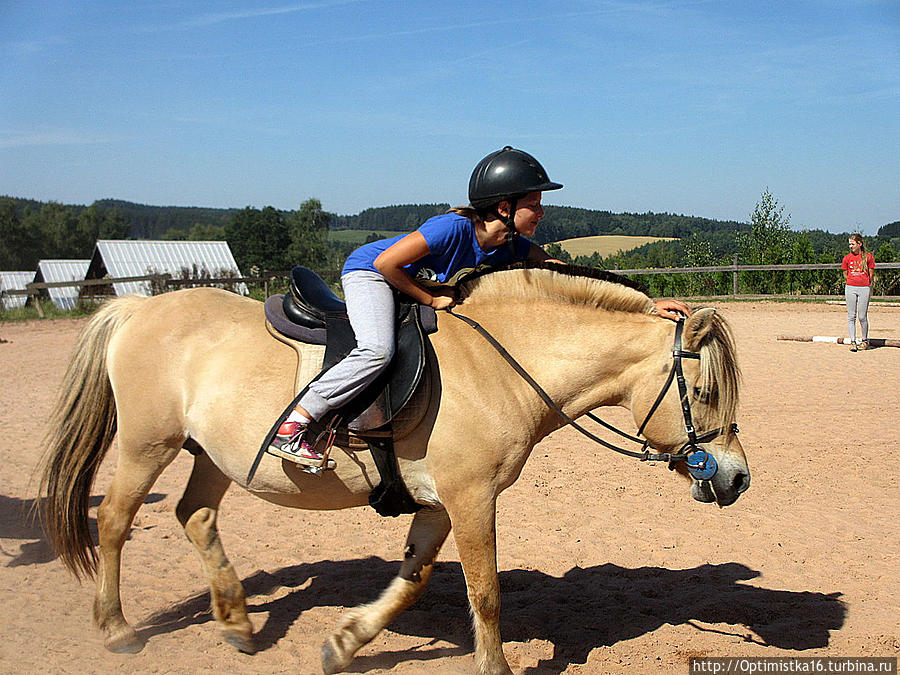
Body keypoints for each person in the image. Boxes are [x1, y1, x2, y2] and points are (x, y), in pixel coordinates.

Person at [268, 146, 691, 465]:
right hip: (370, 273)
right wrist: (430, 296)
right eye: (535, 204)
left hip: (399, 275)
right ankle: (297, 421)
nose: (541, 212)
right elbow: (386, 262)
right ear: (505, 207)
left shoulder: (509, 245)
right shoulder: (451, 228)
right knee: (377, 349)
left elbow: (570, 277)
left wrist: (645, 306)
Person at [842, 233, 876, 352]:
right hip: (851, 287)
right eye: (850, 244)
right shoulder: (847, 258)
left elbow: (871, 272)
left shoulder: (868, 257)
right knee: (851, 316)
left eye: (852, 244)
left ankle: (865, 340)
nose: (850, 246)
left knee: (862, 316)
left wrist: (866, 283)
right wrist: (851, 281)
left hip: (864, 288)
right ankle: (853, 341)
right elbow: (845, 273)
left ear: (859, 244)